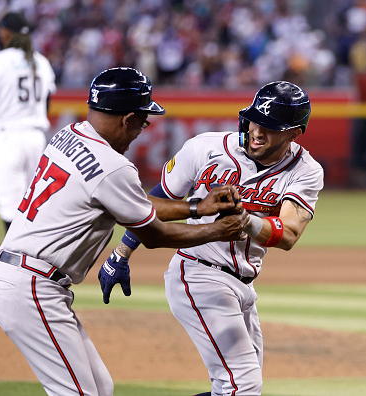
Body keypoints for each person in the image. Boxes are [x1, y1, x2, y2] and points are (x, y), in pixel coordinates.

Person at [0, 67, 249, 396]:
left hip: (17, 274)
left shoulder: (68, 133)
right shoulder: (113, 166)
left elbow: (130, 202)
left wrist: (197, 208)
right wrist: (217, 230)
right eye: (143, 121)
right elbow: (154, 235)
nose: (142, 129)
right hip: (30, 286)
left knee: (101, 388)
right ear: (127, 119)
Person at [100, 81, 324, 395]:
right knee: (242, 385)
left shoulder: (305, 170)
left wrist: (245, 221)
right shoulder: (205, 147)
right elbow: (156, 201)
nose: (258, 131)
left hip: (244, 285)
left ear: (294, 133)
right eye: (255, 120)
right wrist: (121, 252)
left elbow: (288, 234)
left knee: (237, 389)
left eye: (270, 127)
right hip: (197, 272)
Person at [0, 12, 56, 233]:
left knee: (10, 209)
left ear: (7, 33)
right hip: (37, 140)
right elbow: (46, 105)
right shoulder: (42, 61)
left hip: (8, 138)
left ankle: (13, 264)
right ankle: (38, 262)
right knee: (35, 207)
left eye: (1, 30)